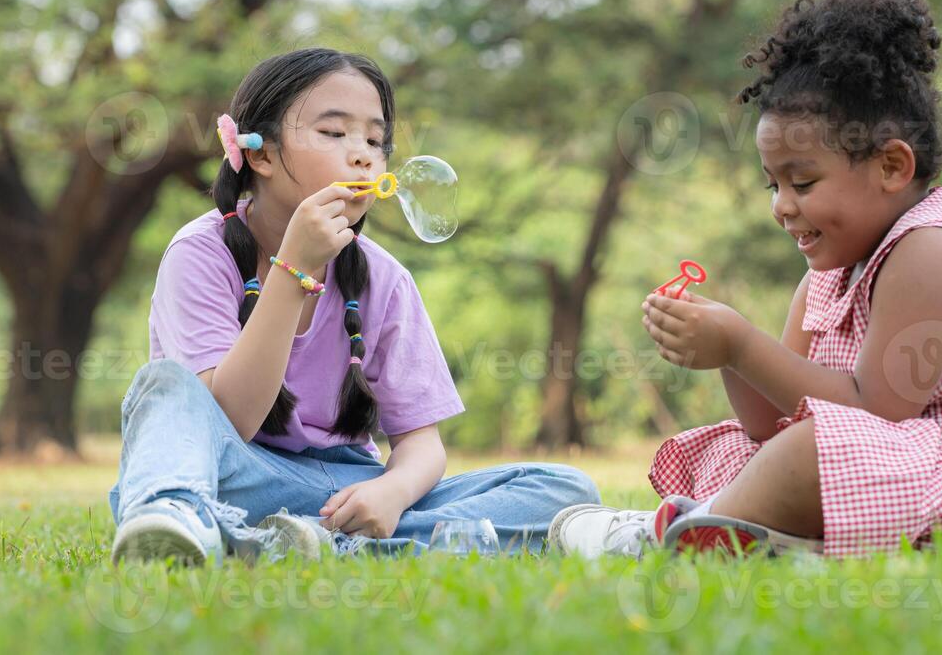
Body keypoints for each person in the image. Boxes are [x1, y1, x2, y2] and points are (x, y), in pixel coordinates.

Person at [550, 0, 942, 559]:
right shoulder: (827, 277)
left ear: (892, 167)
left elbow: (877, 412)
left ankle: (668, 536)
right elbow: (770, 424)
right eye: (773, 186)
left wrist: (742, 343)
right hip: (908, 475)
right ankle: (754, 539)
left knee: (810, 454)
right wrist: (724, 355)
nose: (782, 207)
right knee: (759, 451)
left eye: (803, 182)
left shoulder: (934, 251)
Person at [109, 47, 599, 564]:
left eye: (374, 139)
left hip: (345, 490)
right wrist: (293, 269)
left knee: (561, 487)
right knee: (161, 386)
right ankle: (175, 515)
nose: (363, 153)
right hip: (235, 476)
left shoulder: (384, 278)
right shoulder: (200, 253)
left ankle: (302, 542)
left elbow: (421, 445)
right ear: (261, 154)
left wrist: (392, 492)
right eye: (334, 133)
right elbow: (230, 419)